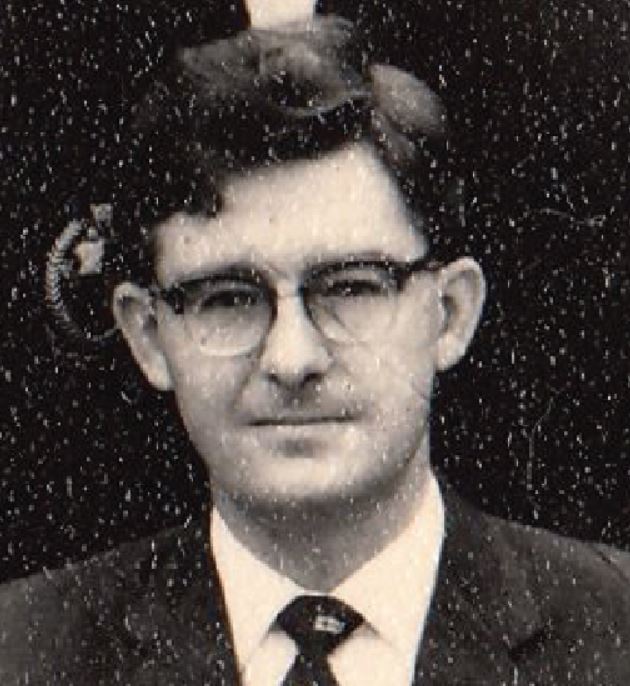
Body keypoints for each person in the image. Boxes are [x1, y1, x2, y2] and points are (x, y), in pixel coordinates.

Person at [2, 16, 630, 686]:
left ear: (450, 313)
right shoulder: (21, 653)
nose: (292, 359)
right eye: (227, 298)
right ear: (148, 335)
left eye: (352, 287)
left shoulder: (613, 630)